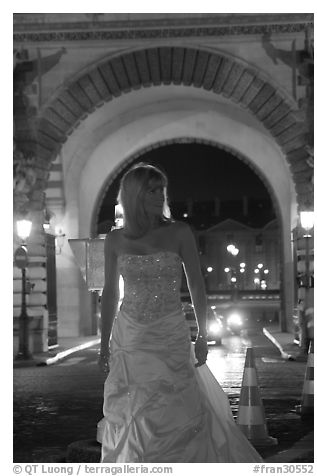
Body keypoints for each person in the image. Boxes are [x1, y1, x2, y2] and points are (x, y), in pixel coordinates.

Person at [97, 163, 263, 463]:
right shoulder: (115, 240)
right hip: (130, 337)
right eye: (152, 189)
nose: (160, 195)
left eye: (162, 189)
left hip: (170, 333)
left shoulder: (179, 232)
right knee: (132, 410)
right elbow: (109, 293)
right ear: (134, 195)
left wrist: (203, 334)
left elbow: (197, 287)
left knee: (177, 408)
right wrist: (103, 344)